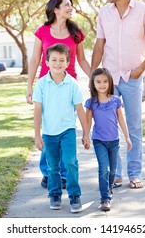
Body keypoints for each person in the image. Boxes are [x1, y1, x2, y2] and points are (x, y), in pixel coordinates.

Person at [90, 0, 145, 189]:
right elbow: (99, 45)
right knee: (109, 128)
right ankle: (116, 173)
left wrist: (139, 70)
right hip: (109, 80)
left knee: (133, 127)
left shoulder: (144, 11)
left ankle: (134, 173)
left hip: (132, 79)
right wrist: (94, 75)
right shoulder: (104, 13)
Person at [26, 0, 90, 189]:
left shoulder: (75, 31)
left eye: (71, 5)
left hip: (68, 85)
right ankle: (47, 172)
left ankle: (62, 173)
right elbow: (35, 60)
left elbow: (81, 60)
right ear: (56, 9)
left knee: (65, 127)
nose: (71, 8)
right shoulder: (43, 31)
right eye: (67, 5)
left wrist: (94, 78)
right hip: (47, 85)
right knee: (49, 128)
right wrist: (29, 86)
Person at [32, 43, 90, 212]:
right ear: (47, 62)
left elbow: (80, 109)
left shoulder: (72, 84)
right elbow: (37, 110)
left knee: (71, 162)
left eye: (62, 60)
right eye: (54, 59)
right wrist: (37, 135)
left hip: (67, 131)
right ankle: (55, 194)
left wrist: (86, 133)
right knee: (52, 166)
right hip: (49, 133)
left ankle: (74, 195)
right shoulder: (41, 84)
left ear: (67, 63)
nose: (58, 63)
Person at [85, 68, 132, 211]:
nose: (102, 84)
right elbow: (87, 122)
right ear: (93, 83)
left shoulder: (116, 101)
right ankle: (105, 198)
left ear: (110, 82)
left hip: (114, 141)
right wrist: (85, 136)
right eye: (98, 82)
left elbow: (122, 120)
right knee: (103, 169)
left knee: (113, 170)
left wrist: (127, 137)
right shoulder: (91, 102)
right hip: (99, 140)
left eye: (105, 81)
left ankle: (109, 187)